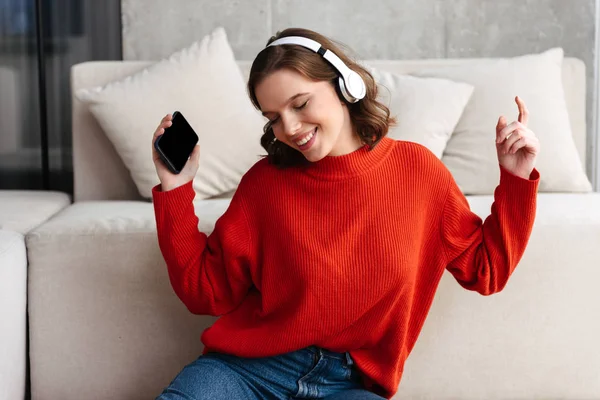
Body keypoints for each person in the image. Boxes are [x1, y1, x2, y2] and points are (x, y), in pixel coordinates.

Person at [150, 28, 541, 400]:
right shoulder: (264, 185)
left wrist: (516, 179)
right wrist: (175, 188)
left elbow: (488, 270)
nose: (288, 127)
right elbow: (206, 291)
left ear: (345, 85)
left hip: (348, 384)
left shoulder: (419, 172)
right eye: (273, 117)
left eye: (300, 104)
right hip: (250, 371)